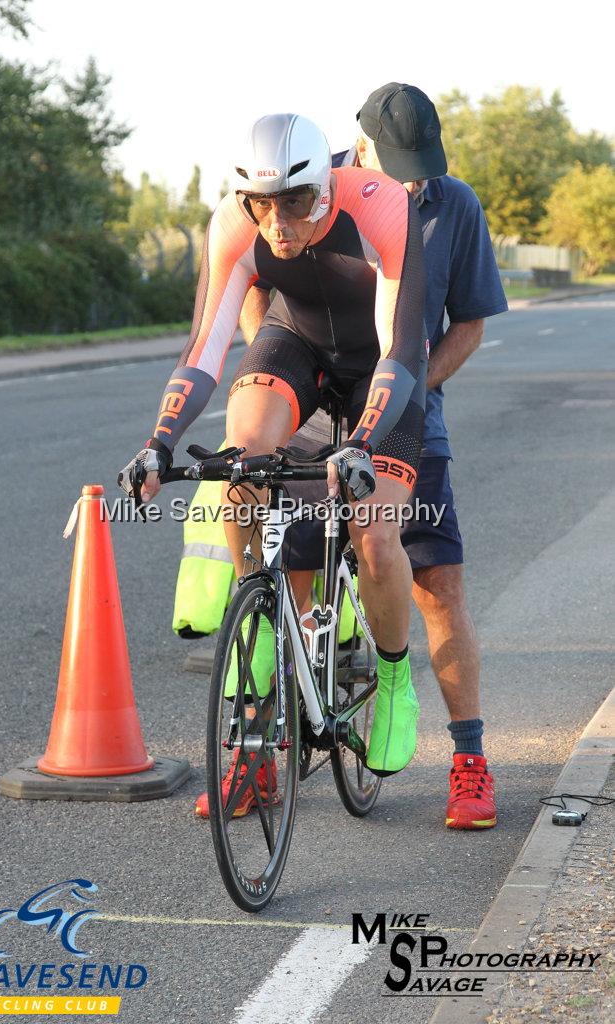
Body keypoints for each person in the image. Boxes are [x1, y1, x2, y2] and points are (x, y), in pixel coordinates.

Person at [120, 112, 429, 817]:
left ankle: (392, 679)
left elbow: (402, 348)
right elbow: (203, 349)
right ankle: (258, 611)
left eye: (295, 202)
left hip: (383, 367)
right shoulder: (233, 223)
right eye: (262, 204)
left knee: (376, 536)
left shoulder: (378, 204)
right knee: (240, 453)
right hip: (297, 346)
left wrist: (361, 439)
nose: (278, 222)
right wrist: (158, 441)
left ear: (325, 185)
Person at [239, 84, 508, 830]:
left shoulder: (453, 206)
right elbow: (252, 287)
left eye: (423, 166)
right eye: (399, 167)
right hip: (310, 405)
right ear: (356, 153)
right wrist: (271, 360)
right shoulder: (306, 192)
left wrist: (406, 394)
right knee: (284, 574)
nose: (414, 181)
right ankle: (257, 754)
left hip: (403, 407)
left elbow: (469, 325)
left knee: (436, 583)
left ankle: (469, 761)